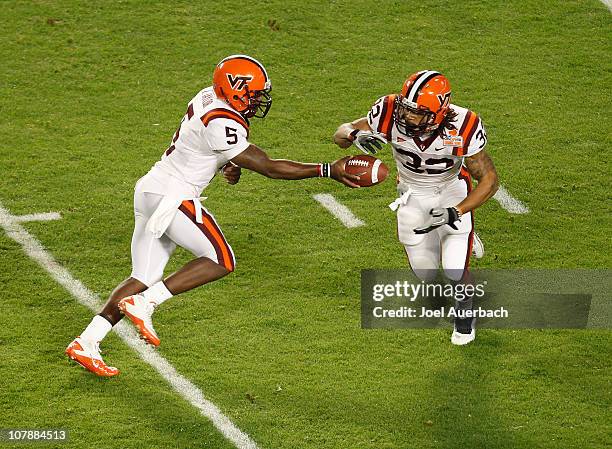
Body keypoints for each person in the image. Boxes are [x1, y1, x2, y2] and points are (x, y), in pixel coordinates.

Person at [66, 55, 360, 376]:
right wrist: (328, 169)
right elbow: (269, 167)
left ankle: (87, 341)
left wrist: (228, 162)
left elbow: (209, 145)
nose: (259, 100)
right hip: (174, 196)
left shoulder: (209, 95)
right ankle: (147, 302)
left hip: (151, 188)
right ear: (235, 89)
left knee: (143, 277)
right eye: (254, 93)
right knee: (221, 259)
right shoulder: (223, 120)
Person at [333, 70, 499, 345]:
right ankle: (462, 240)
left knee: (455, 269)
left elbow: (490, 180)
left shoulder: (463, 124)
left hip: (450, 190)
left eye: (417, 112)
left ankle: (465, 321)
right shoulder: (388, 111)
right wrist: (353, 134)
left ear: (438, 112)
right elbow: (338, 133)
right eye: (406, 109)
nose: (408, 117)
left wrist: (456, 211)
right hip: (411, 193)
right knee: (425, 272)